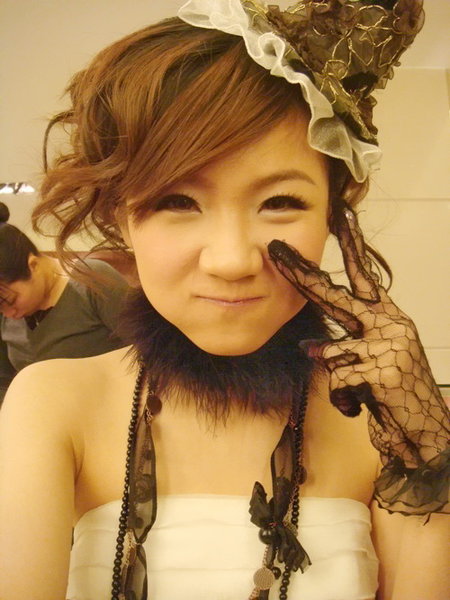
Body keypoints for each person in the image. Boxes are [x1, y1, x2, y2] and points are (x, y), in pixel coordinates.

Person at [0, 1, 449, 599]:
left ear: (333, 214)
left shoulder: (385, 426)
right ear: (123, 219)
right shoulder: (54, 403)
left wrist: (430, 466)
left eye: (280, 202)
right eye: (178, 202)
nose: (232, 260)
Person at [0, 202, 130, 403]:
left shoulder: (91, 280)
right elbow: (4, 381)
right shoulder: (6, 310)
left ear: (33, 265)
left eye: (11, 301)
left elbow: (145, 350)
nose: (9, 314)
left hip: (109, 407)